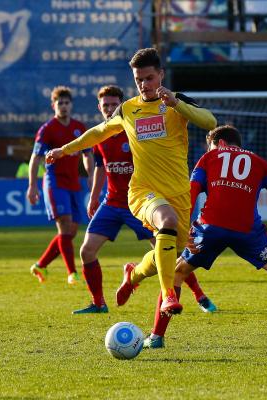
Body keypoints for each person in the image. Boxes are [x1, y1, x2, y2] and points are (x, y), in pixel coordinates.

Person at [45, 48, 217, 316]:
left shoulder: (176, 102)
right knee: (167, 223)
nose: (143, 85)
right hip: (142, 192)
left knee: (169, 253)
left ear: (160, 74)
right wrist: (64, 150)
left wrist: (177, 104)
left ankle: (133, 274)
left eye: (149, 78)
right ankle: (169, 295)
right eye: (138, 79)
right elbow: (97, 133)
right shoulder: (128, 109)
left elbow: (210, 122)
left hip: (179, 194)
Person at [143, 125, 267, 348]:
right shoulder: (259, 162)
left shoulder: (209, 157)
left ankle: (157, 337)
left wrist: (183, 228)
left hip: (210, 229)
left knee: (177, 273)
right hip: (248, 231)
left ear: (221, 144)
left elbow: (192, 191)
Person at [28, 86, 94, 285]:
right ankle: (72, 273)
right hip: (55, 182)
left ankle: (41, 265)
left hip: (74, 183)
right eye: (60, 103)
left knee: (71, 231)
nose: (64, 106)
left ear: (71, 105)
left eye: (66, 103)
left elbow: (87, 154)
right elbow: (36, 157)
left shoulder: (79, 128)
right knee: (65, 226)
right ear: (53, 106)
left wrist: (91, 175)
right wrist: (32, 185)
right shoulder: (47, 129)